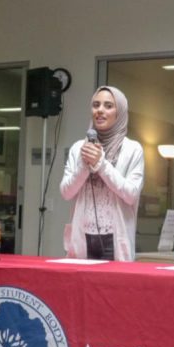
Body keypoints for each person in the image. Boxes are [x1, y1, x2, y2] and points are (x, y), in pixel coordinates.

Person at [60, 86, 145, 261]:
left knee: (114, 287)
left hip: (115, 238)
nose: (100, 110)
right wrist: (84, 166)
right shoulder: (79, 149)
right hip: (82, 237)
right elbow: (66, 192)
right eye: (96, 105)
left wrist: (101, 164)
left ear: (119, 112)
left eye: (108, 106)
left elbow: (131, 195)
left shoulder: (133, 149)